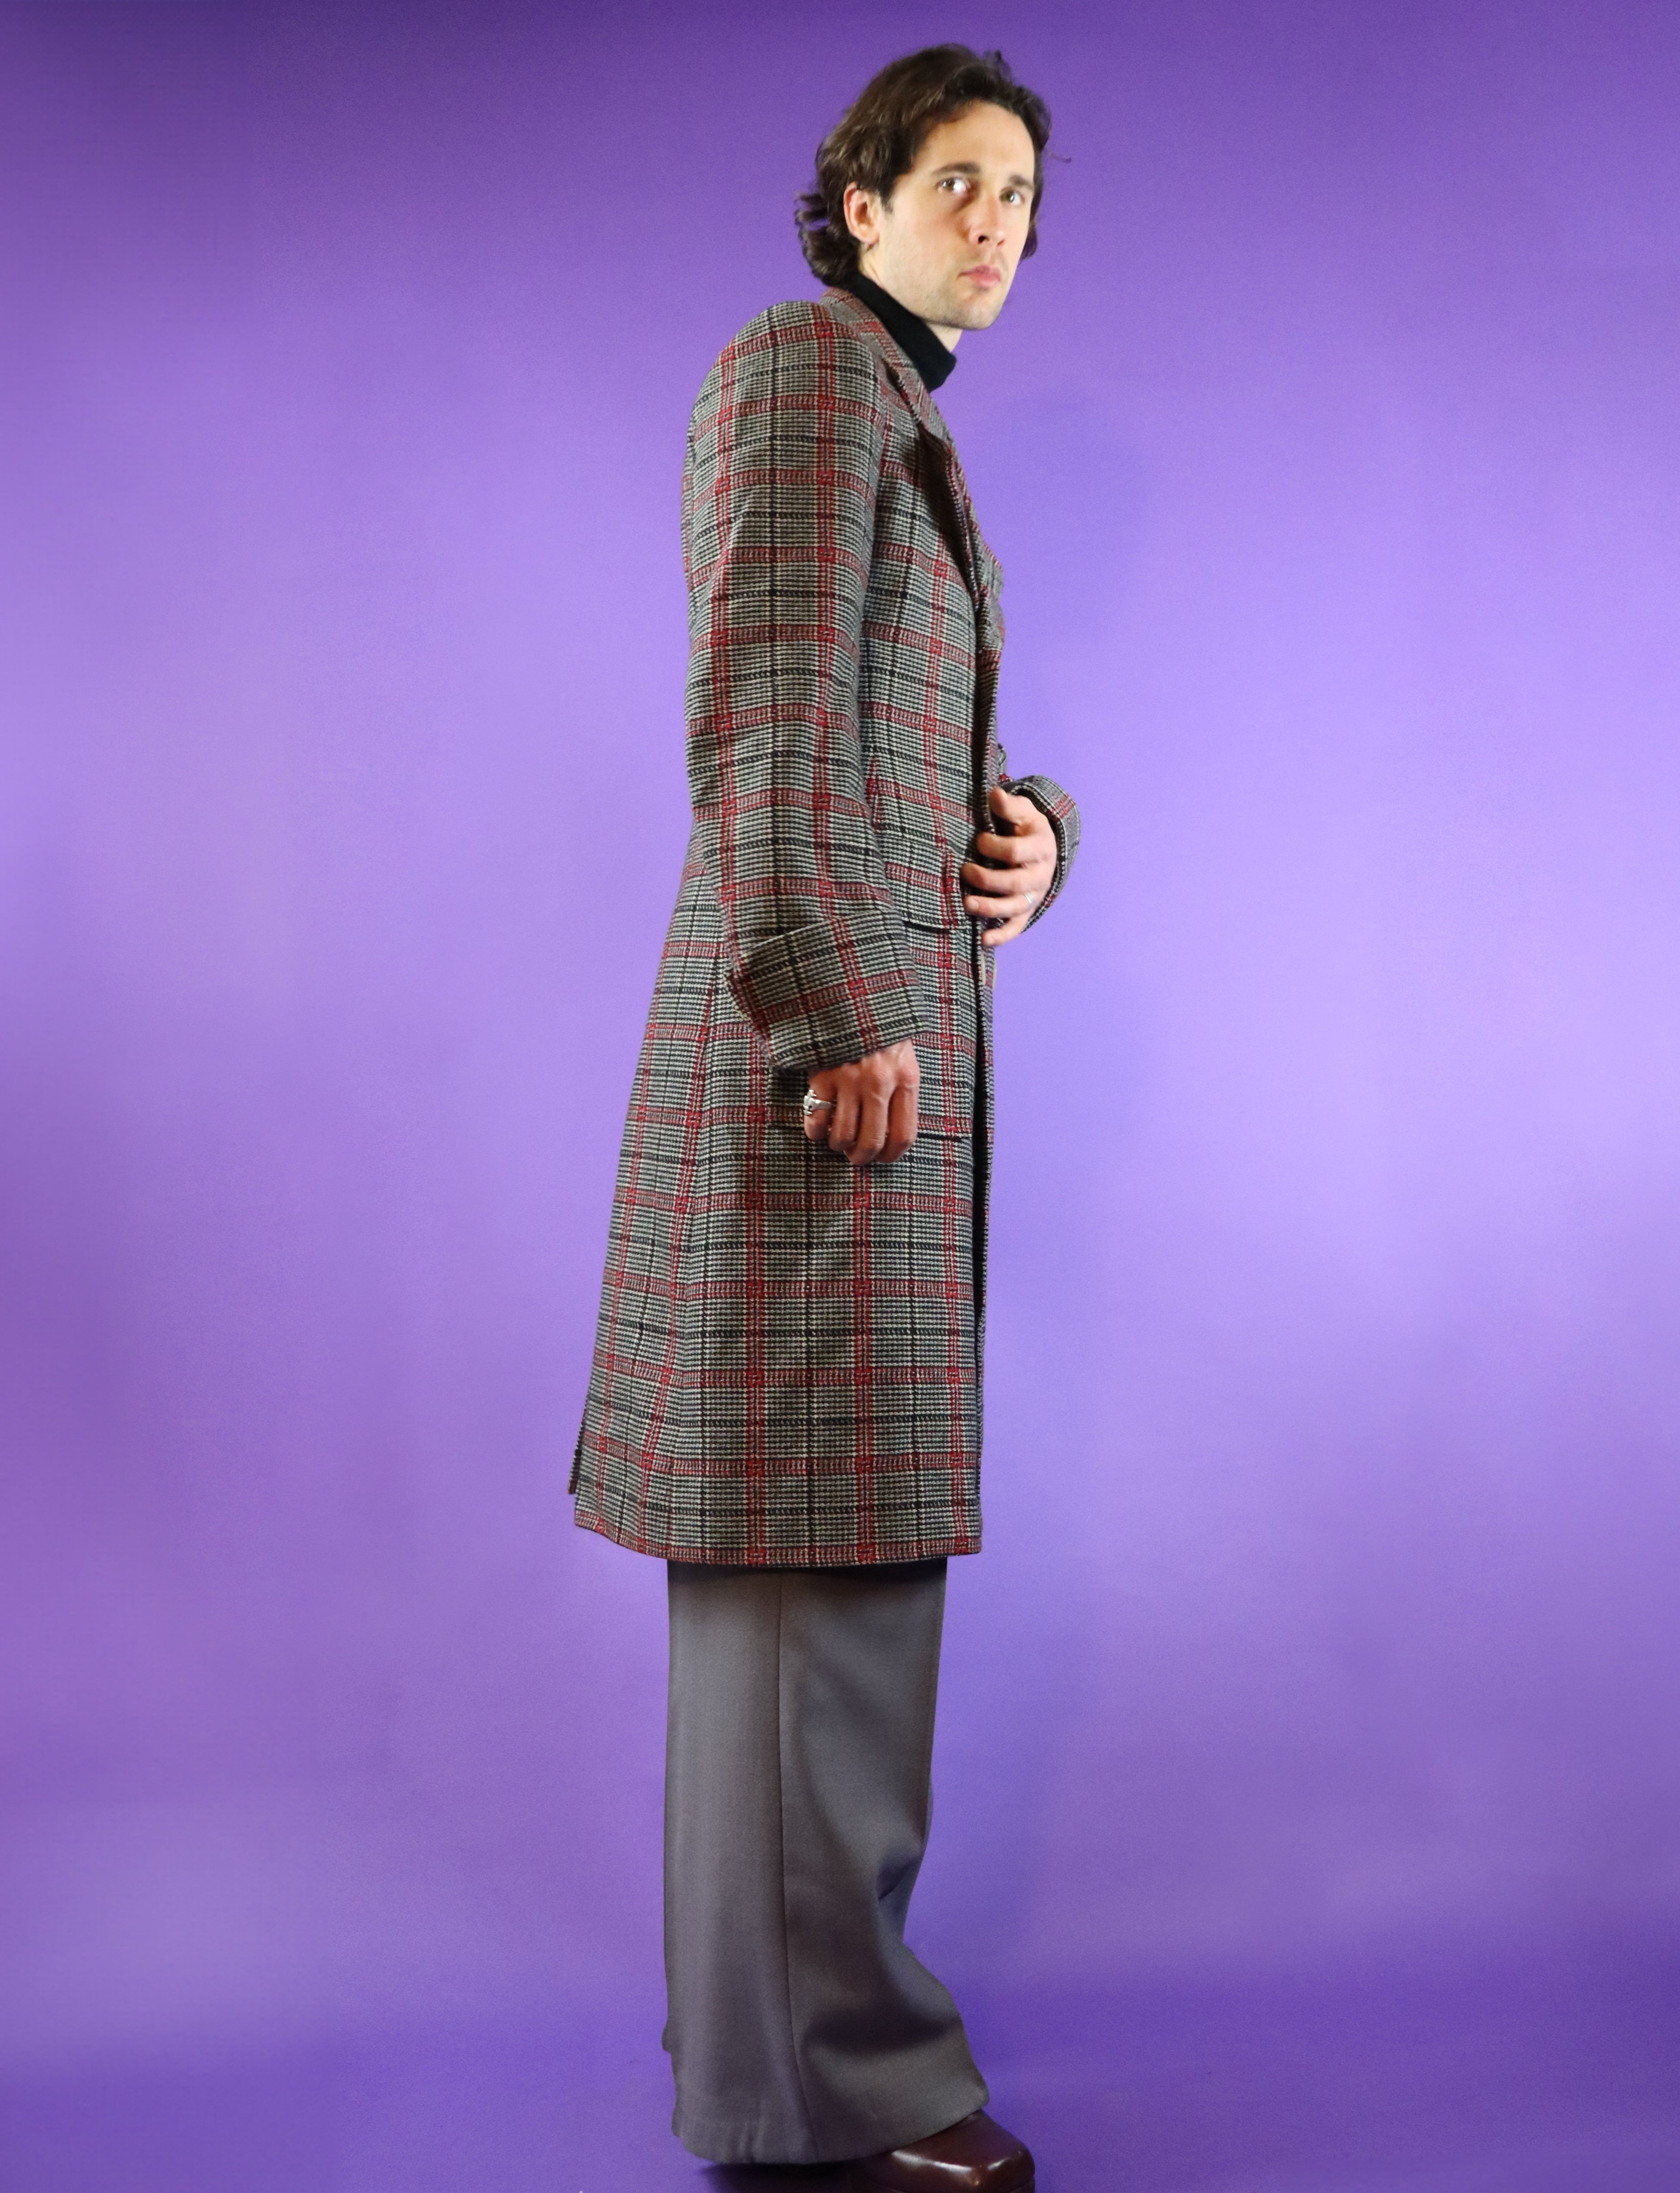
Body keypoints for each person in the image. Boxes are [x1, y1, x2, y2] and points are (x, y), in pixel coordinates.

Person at [569, 45, 1079, 2193]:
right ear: (860, 203)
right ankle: (829, 2094)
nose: (998, 224)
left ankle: (773, 2059)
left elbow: (896, 742)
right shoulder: (805, 375)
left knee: (823, 1579)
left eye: (1022, 198)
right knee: (814, 1588)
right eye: (959, 180)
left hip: (862, 1069)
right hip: (830, 1082)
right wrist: (828, 1006)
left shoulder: (898, 420)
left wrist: (1037, 831)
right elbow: (764, 711)